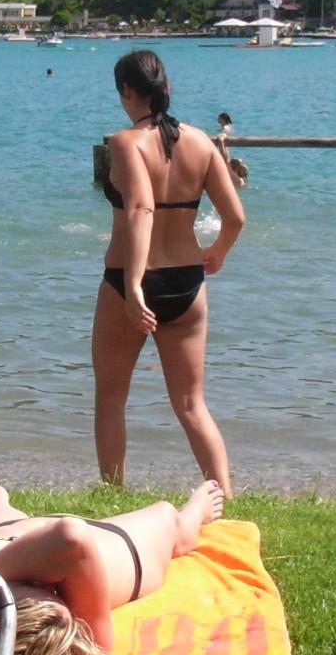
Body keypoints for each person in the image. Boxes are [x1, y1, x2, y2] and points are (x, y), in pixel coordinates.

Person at [95, 50, 244, 497]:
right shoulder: (200, 142)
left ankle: (113, 494)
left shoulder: (125, 143)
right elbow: (235, 216)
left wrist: (134, 284)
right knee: (192, 405)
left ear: (126, 91)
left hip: (129, 282)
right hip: (187, 283)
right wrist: (218, 251)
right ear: (166, 87)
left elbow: (141, 208)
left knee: (111, 397)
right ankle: (224, 499)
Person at [0, 477, 224, 655]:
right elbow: (72, 535)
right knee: (168, 517)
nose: (47, 586)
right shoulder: (91, 632)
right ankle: (196, 512)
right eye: (56, 594)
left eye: (37, 589)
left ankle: (1, 506)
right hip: (111, 545)